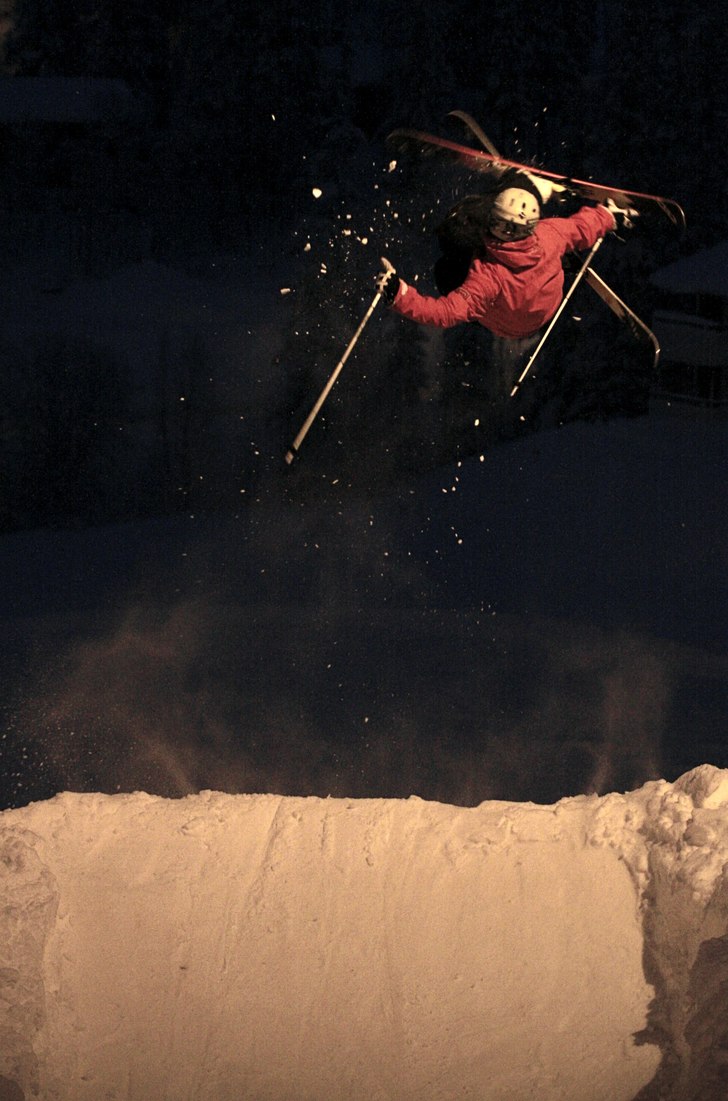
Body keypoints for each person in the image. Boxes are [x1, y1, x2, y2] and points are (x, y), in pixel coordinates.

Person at [376, 170, 628, 397]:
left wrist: (399, 294)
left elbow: (446, 312)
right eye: (497, 223)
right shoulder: (550, 233)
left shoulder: (487, 277)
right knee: (561, 240)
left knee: (450, 254)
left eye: (499, 224)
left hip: (508, 324)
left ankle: (528, 184)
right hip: (546, 304)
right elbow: (582, 227)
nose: (498, 230)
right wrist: (608, 215)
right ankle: (532, 205)